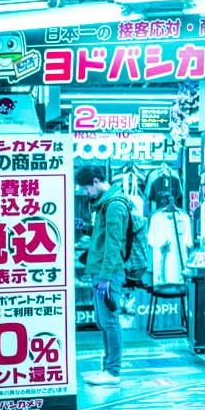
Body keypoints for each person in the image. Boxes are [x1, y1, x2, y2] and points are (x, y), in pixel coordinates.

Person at [77, 166, 141, 387]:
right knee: (104, 321)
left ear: (96, 181)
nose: (86, 193)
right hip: (103, 272)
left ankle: (113, 371)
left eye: (86, 187)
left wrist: (105, 277)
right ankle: (108, 369)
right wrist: (86, 229)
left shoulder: (113, 204)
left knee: (109, 321)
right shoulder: (107, 203)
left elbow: (114, 244)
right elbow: (105, 237)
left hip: (109, 273)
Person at [145, 176, 191, 288]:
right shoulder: (155, 218)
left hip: (179, 275)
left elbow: (188, 243)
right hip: (161, 278)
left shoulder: (184, 217)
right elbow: (150, 243)